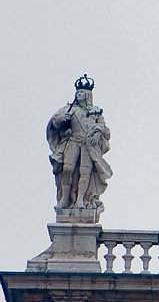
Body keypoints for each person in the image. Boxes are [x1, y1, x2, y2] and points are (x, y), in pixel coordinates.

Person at [47, 74, 113, 210]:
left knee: (85, 172)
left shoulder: (96, 112)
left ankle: (80, 200)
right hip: (73, 142)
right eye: (78, 92)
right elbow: (55, 123)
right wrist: (61, 120)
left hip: (88, 145)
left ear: (88, 95)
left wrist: (98, 131)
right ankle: (65, 199)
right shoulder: (68, 109)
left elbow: (105, 129)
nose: (79, 94)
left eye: (82, 92)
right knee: (67, 169)